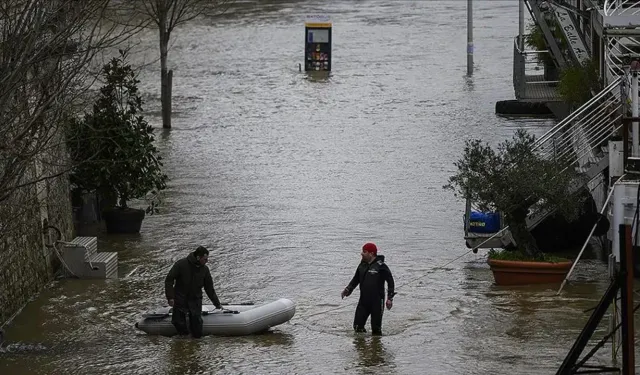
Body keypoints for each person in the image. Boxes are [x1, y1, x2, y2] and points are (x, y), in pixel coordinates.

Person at [165, 246, 223, 338]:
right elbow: (169, 280)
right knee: (178, 322)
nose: (206, 261)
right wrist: (170, 297)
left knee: (197, 327)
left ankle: (194, 346)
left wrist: (217, 304)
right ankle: (183, 340)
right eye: (205, 259)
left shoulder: (205, 270)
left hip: (195, 300)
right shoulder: (181, 265)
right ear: (198, 257)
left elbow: (209, 288)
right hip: (180, 298)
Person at [341, 242, 395, 336]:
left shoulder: (381, 266)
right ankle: (363, 348)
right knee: (357, 327)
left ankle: (376, 348)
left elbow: (390, 282)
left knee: (376, 330)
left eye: (364, 252)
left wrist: (389, 298)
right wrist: (348, 289)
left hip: (377, 302)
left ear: (371, 253)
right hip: (363, 301)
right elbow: (356, 279)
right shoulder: (362, 265)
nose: (361, 253)